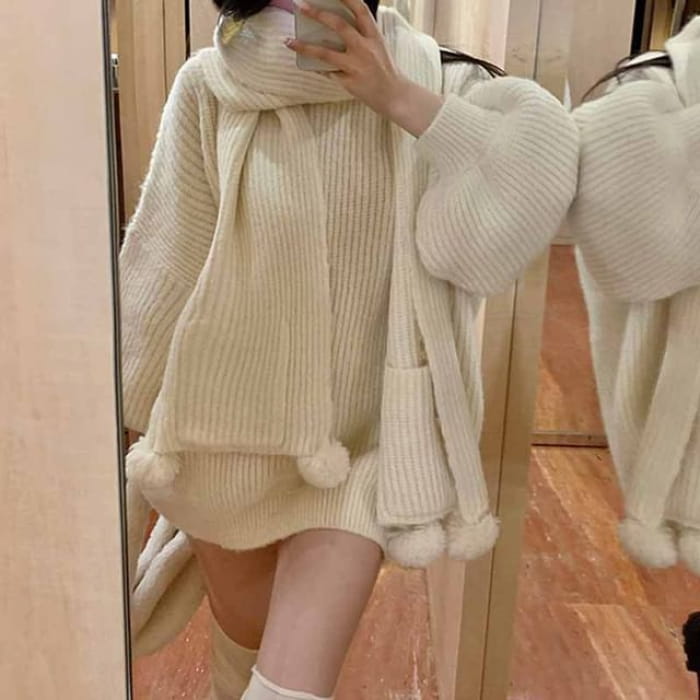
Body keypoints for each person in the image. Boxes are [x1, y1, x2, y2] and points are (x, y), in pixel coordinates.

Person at [119, 0, 579, 697]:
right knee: (237, 666)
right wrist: (127, 431)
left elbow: (511, 225)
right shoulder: (210, 87)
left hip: (362, 452)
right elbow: (165, 267)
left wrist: (398, 98)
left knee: (287, 689)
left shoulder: (441, 80)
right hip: (226, 438)